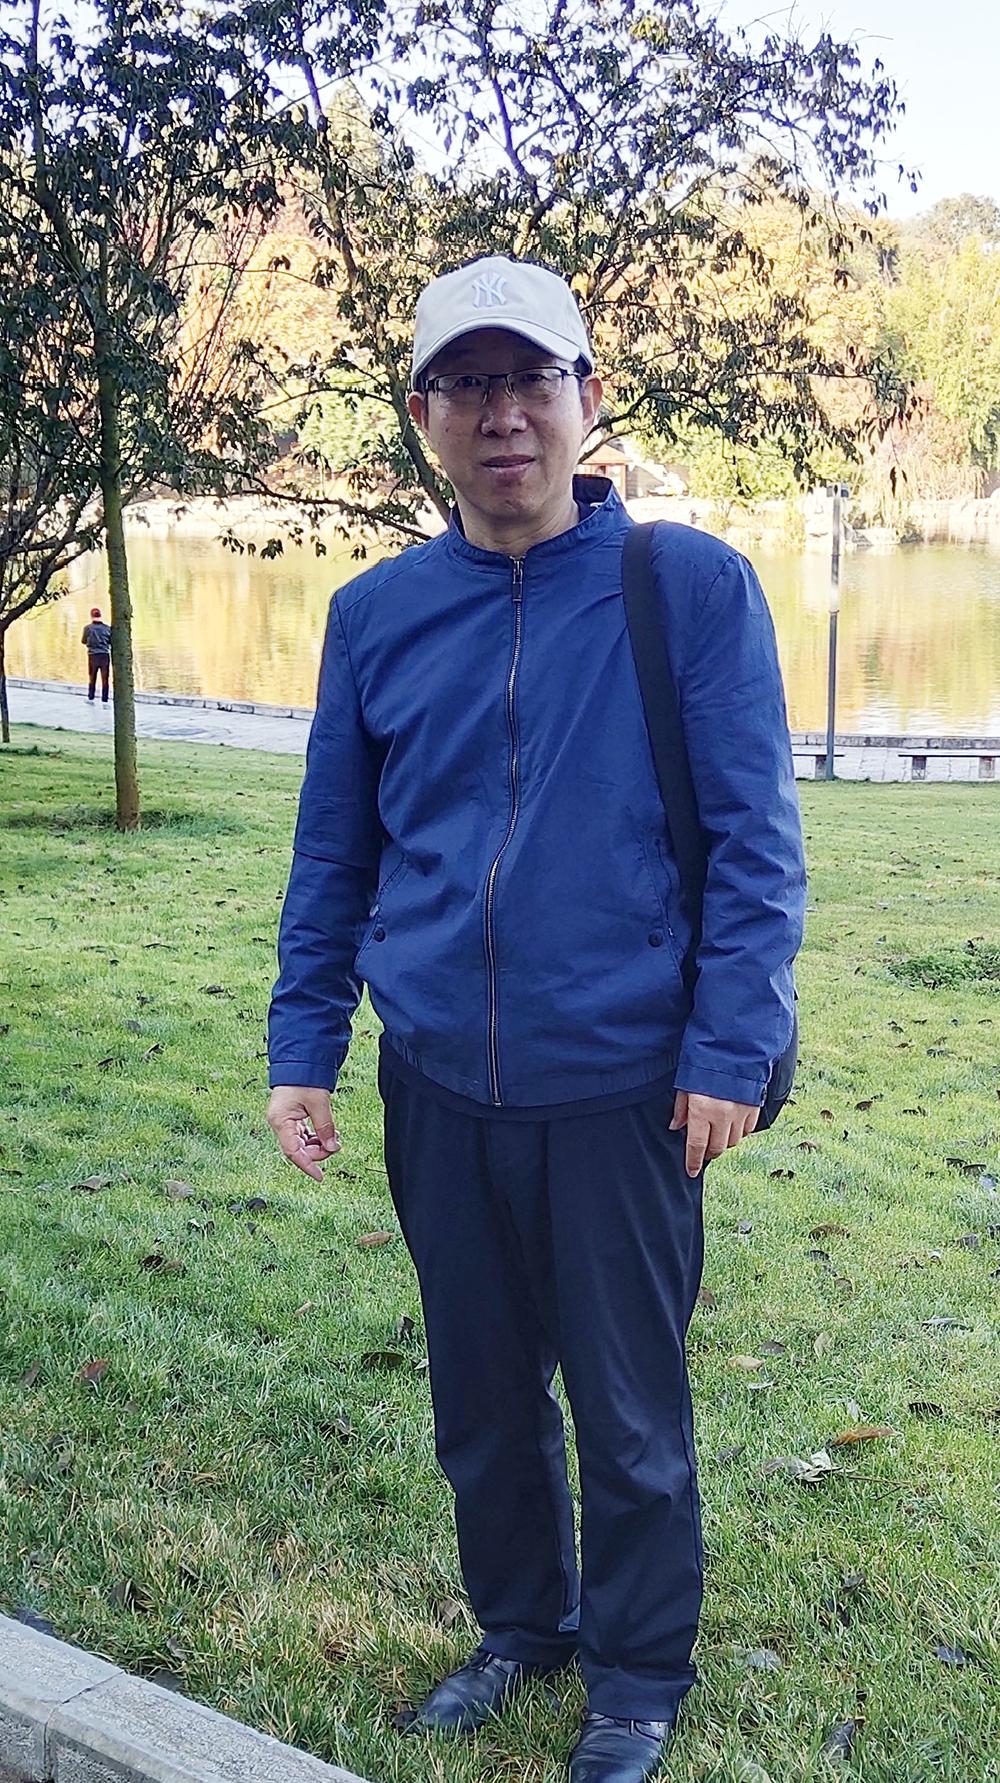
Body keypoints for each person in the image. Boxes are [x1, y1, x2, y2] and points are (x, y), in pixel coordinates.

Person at [267, 255, 806, 1783]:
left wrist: (729, 1049)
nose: (503, 413)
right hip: (439, 1081)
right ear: (423, 414)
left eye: (531, 378)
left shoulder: (686, 590)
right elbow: (334, 852)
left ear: (587, 396)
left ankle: (635, 1676)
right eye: (468, 383)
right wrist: (305, 1044)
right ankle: (523, 1625)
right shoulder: (376, 616)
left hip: (622, 1087)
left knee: (630, 1411)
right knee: (483, 1399)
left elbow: (758, 848)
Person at [81, 607, 112, 703]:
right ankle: (105, 700)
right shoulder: (107, 628)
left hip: (93, 655)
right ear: (100, 616)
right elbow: (111, 641)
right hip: (104, 655)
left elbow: (83, 641)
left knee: (92, 677)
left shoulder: (87, 628)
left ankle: (91, 697)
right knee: (105, 678)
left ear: (91, 616)